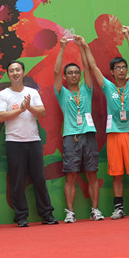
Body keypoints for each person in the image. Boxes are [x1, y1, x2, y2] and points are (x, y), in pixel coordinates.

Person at [83, 26, 129, 219]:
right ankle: (118, 208)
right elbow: (93, 67)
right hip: (114, 135)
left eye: (123, 67)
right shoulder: (108, 87)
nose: (121, 70)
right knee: (116, 174)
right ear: (112, 72)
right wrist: (85, 47)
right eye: (118, 68)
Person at [0, 61, 57, 227]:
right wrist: (21, 110)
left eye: (18, 70)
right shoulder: (3, 94)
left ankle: (47, 214)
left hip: (33, 141)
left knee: (39, 179)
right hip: (14, 142)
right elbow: (1, 116)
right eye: (11, 70)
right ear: (8, 74)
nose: (15, 73)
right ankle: (21, 216)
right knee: (17, 181)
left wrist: (29, 107)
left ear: (23, 72)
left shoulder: (32, 92)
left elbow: (42, 112)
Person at [53, 36, 102, 223]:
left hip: (88, 135)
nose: (74, 75)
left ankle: (95, 210)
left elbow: (88, 68)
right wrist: (62, 48)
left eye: (76, 72)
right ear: (65, 77)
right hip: (70, 136)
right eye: (70, 73)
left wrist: (82, 47)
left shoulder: (86, 90)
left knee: (92, 173)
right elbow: (56, 71)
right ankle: (70, 212)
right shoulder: (62, 92)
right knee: (71, 175)